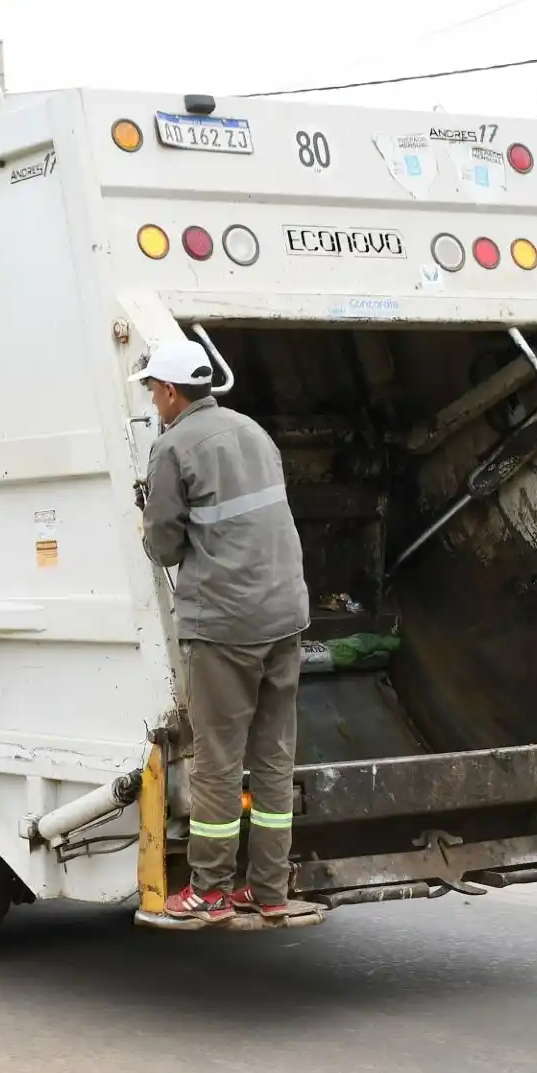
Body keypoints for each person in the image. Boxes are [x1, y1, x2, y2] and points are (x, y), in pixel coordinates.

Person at [130, 335, 309, 922]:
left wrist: (148, 509)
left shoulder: (173, 447)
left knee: (218, 762)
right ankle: (270, 889)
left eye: (155, 389)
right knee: (276, 757)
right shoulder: (253, 430)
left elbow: (162, 546)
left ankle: (209, 889)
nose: (154, 399)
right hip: (285, 616)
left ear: (173, 392)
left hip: (227, 627)